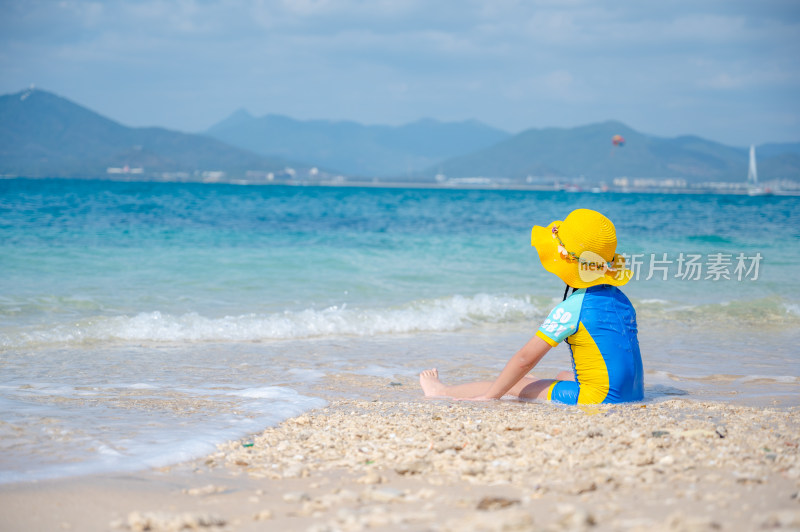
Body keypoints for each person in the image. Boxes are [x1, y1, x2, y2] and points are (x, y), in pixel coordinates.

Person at [419, 208, 644, 404]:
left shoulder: (574, 307)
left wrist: (491, 396)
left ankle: (440, 391)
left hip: (598, 398)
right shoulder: (621, 299)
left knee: (514, 384)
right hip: (633, 392)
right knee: (564, 374)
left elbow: (525, 359)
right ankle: (540, 386)